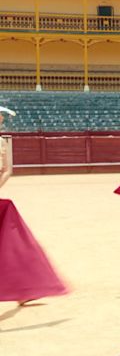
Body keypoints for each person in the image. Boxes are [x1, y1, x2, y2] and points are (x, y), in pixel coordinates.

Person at [0, 106, 69, 305]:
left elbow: (7, 170)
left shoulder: (2, 141)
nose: (1, 120)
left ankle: (22, 289)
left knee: (9, 244)